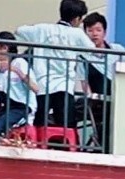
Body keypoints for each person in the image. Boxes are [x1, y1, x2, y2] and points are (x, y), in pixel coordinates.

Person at [15, 0, 93, 131]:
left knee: (40, 122)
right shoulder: (77, 34)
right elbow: (92, 51)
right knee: (66, 126)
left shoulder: (42, 29)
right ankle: (67, 149)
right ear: (76, 19)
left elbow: (19, 30)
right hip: (64, 84)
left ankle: (38, 146)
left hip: (43, 84)